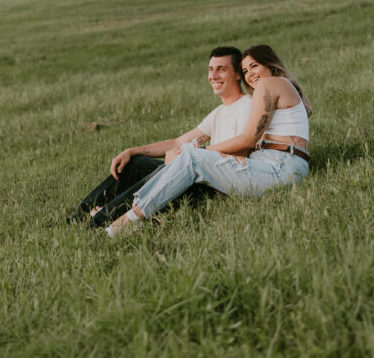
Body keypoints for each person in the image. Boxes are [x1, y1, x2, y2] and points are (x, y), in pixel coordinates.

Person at [106, 44, 312, 236]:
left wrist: (203, 150)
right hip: (275, 164)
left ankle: (126, 222)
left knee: (193, 158)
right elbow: (181, 141)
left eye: (254, 66)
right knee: (189, 158)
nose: (250, 75)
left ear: (270, 64)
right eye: (246, 71)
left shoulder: (270, 83)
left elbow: (249, 139)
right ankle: (132, 214)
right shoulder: (276, 87)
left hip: (281, 167)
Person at [69, 46, 252, 228]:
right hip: (196, 171)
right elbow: (178, 142)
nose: (213, 76)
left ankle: (102, 218)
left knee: (165, 171)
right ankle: (82, 214)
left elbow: (242, 151)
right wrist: (132, 151)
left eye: (222, 69)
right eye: (211, 69)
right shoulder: (220, 112)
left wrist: (184, 156)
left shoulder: (247, 106)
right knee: (136, 163)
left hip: (210, 183)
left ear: (237, 74)